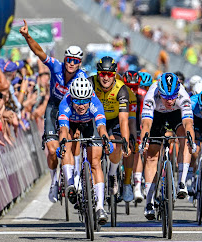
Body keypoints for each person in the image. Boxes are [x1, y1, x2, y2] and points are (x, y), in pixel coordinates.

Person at [19, 19, 87, 203]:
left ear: (79, 63)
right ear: (65, 59)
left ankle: (75, 178)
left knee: (72, 144)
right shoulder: (56, 67)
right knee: (51, 150)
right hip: (53, 108)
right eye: (69, 60)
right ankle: (54, 181)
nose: (71, 64)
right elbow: (39, 52)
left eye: (75, 61)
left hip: (72, 113)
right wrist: (27, 36)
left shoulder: (82, 78)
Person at [139, 72, 196, 220]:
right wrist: (144, 139)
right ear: (160, 92)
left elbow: (188, 122)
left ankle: (182, 182)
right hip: (156, 116)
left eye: (173, 97)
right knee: (152, 154)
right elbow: (146, 123)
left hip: (175, 115)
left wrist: (191, 140)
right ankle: (149, 202)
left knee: (185, 136)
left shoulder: (183, 95)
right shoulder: (151, 94)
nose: (169, 101)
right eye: (166, 97)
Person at [57, 77, 112, 224]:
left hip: (90, 125)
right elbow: (63, 128)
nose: (81, 105)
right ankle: (70, 184)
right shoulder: (65, 103)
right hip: (71, 124)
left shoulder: (95, 103)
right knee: (66, 144)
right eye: (77, 101)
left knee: (95, 162)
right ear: (72, 98)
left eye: (84, 101)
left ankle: (100, 207)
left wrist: (106, 140)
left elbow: (101, 127)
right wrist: (61, 144)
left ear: (90, 97)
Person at [88, 56, 131, 196]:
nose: (105, 78)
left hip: (114, 120)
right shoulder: (90, 83)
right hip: (94, 120)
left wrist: (125, 141)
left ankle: (112, 174)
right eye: (102, 74)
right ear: (97, 74)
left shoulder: (121, 89)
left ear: (114, 76)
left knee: (116, 145)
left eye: (109, 75)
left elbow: (124, 120)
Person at [123, 70, 147, 203]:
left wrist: (142, 133)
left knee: (136, 151)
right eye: (129, 87)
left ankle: (137, 186)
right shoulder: (119, 91)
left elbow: (143, 116)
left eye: (134, 88)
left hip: (136, 123)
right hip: (120, 122)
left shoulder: (142, 94)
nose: (132, 90)